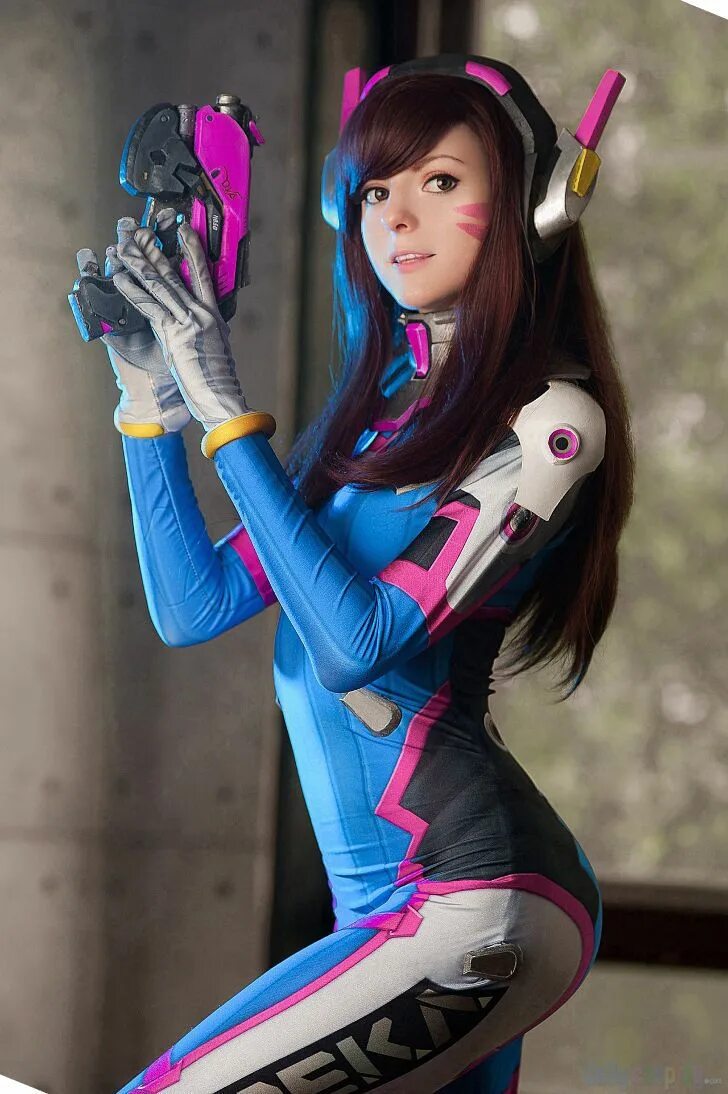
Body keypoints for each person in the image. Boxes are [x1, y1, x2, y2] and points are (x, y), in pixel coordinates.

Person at [78, 55, 634, 1094]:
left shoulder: (550, 425)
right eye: (374, 191)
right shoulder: (374, 424)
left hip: (470, 902)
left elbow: (356, 644)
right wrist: (151, 405)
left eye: (440, 182)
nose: (396, 219)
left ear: (534, 205)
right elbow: (195, 605)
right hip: (384, 910)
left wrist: (226, 413)